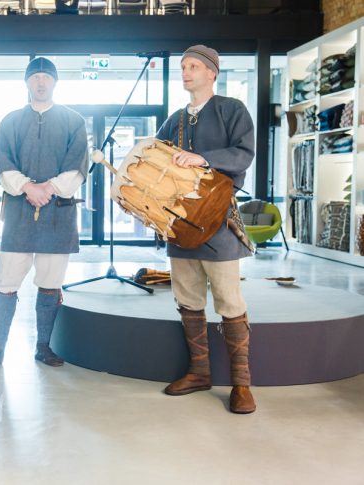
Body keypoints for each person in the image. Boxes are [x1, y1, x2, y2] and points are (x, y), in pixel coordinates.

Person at [155, 45, 256, 414]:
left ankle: (242, 384)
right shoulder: (175, 119)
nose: (185, 72)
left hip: (219, 221)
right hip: (180, 224)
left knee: (229, 300)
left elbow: (243, 153)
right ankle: (199, 373)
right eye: (183, 66)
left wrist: (204, 158)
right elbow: (157, 159)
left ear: (212, 72)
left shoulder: (232, 109)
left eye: (194, 66)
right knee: (188, 299)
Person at [0, 57, 88, 367]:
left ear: (55, 82)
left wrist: (48, 189)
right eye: (35, 77)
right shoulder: (10, 121)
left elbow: (77, 166)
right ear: (26, 82)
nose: (41, 82)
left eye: (46, 77)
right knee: (6, 281)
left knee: (50, 283)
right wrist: (27, 188)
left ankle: (44, 347)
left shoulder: (73, 121)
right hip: (19, 215)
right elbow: (4, 164)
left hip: (58, 213)